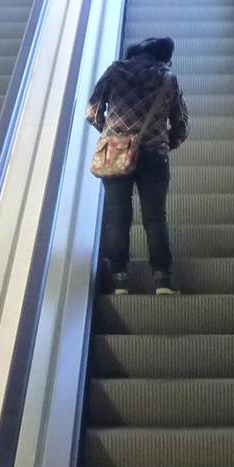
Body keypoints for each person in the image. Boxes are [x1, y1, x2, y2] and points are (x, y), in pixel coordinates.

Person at [86, 36, 190, 295]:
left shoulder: (114, 71)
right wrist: (167, 142)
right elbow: (181, 125)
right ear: (161, 58)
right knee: (155, 218)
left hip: (116, 153)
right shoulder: (167, 79)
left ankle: (119, 281)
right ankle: (163, 281)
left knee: (117, 217)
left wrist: (114, 134)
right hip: (154, 155)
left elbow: (92, 112)